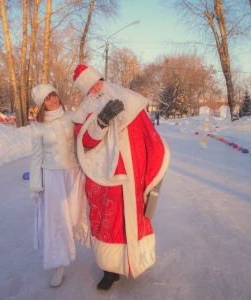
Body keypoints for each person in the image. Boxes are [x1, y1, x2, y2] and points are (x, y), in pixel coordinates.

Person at [71, 64, 170, 291]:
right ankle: (110, 271)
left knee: (133, 218)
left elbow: (147, 133)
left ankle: (137, 259)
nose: (97, 87)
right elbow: (84, 143)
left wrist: (153, 163)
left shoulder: (127, 98)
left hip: (133, 176)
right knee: (110, 223)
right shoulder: (83, 112)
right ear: (86, 92)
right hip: (103, 179)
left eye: (98, 81)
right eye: (91, 87)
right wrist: (101, 121)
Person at [29, 83, 89, 288]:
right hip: (53, 177)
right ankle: (59, 265)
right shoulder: (37, 127)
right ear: (42, 104)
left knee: (72, 218)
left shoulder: (71, 118)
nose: (53, 100)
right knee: (56, 221)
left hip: (72, 174)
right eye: (48, 98)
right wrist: (36, 185)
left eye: (54, 95)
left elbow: (84, 141)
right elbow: (36, 157)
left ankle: (69, 248)